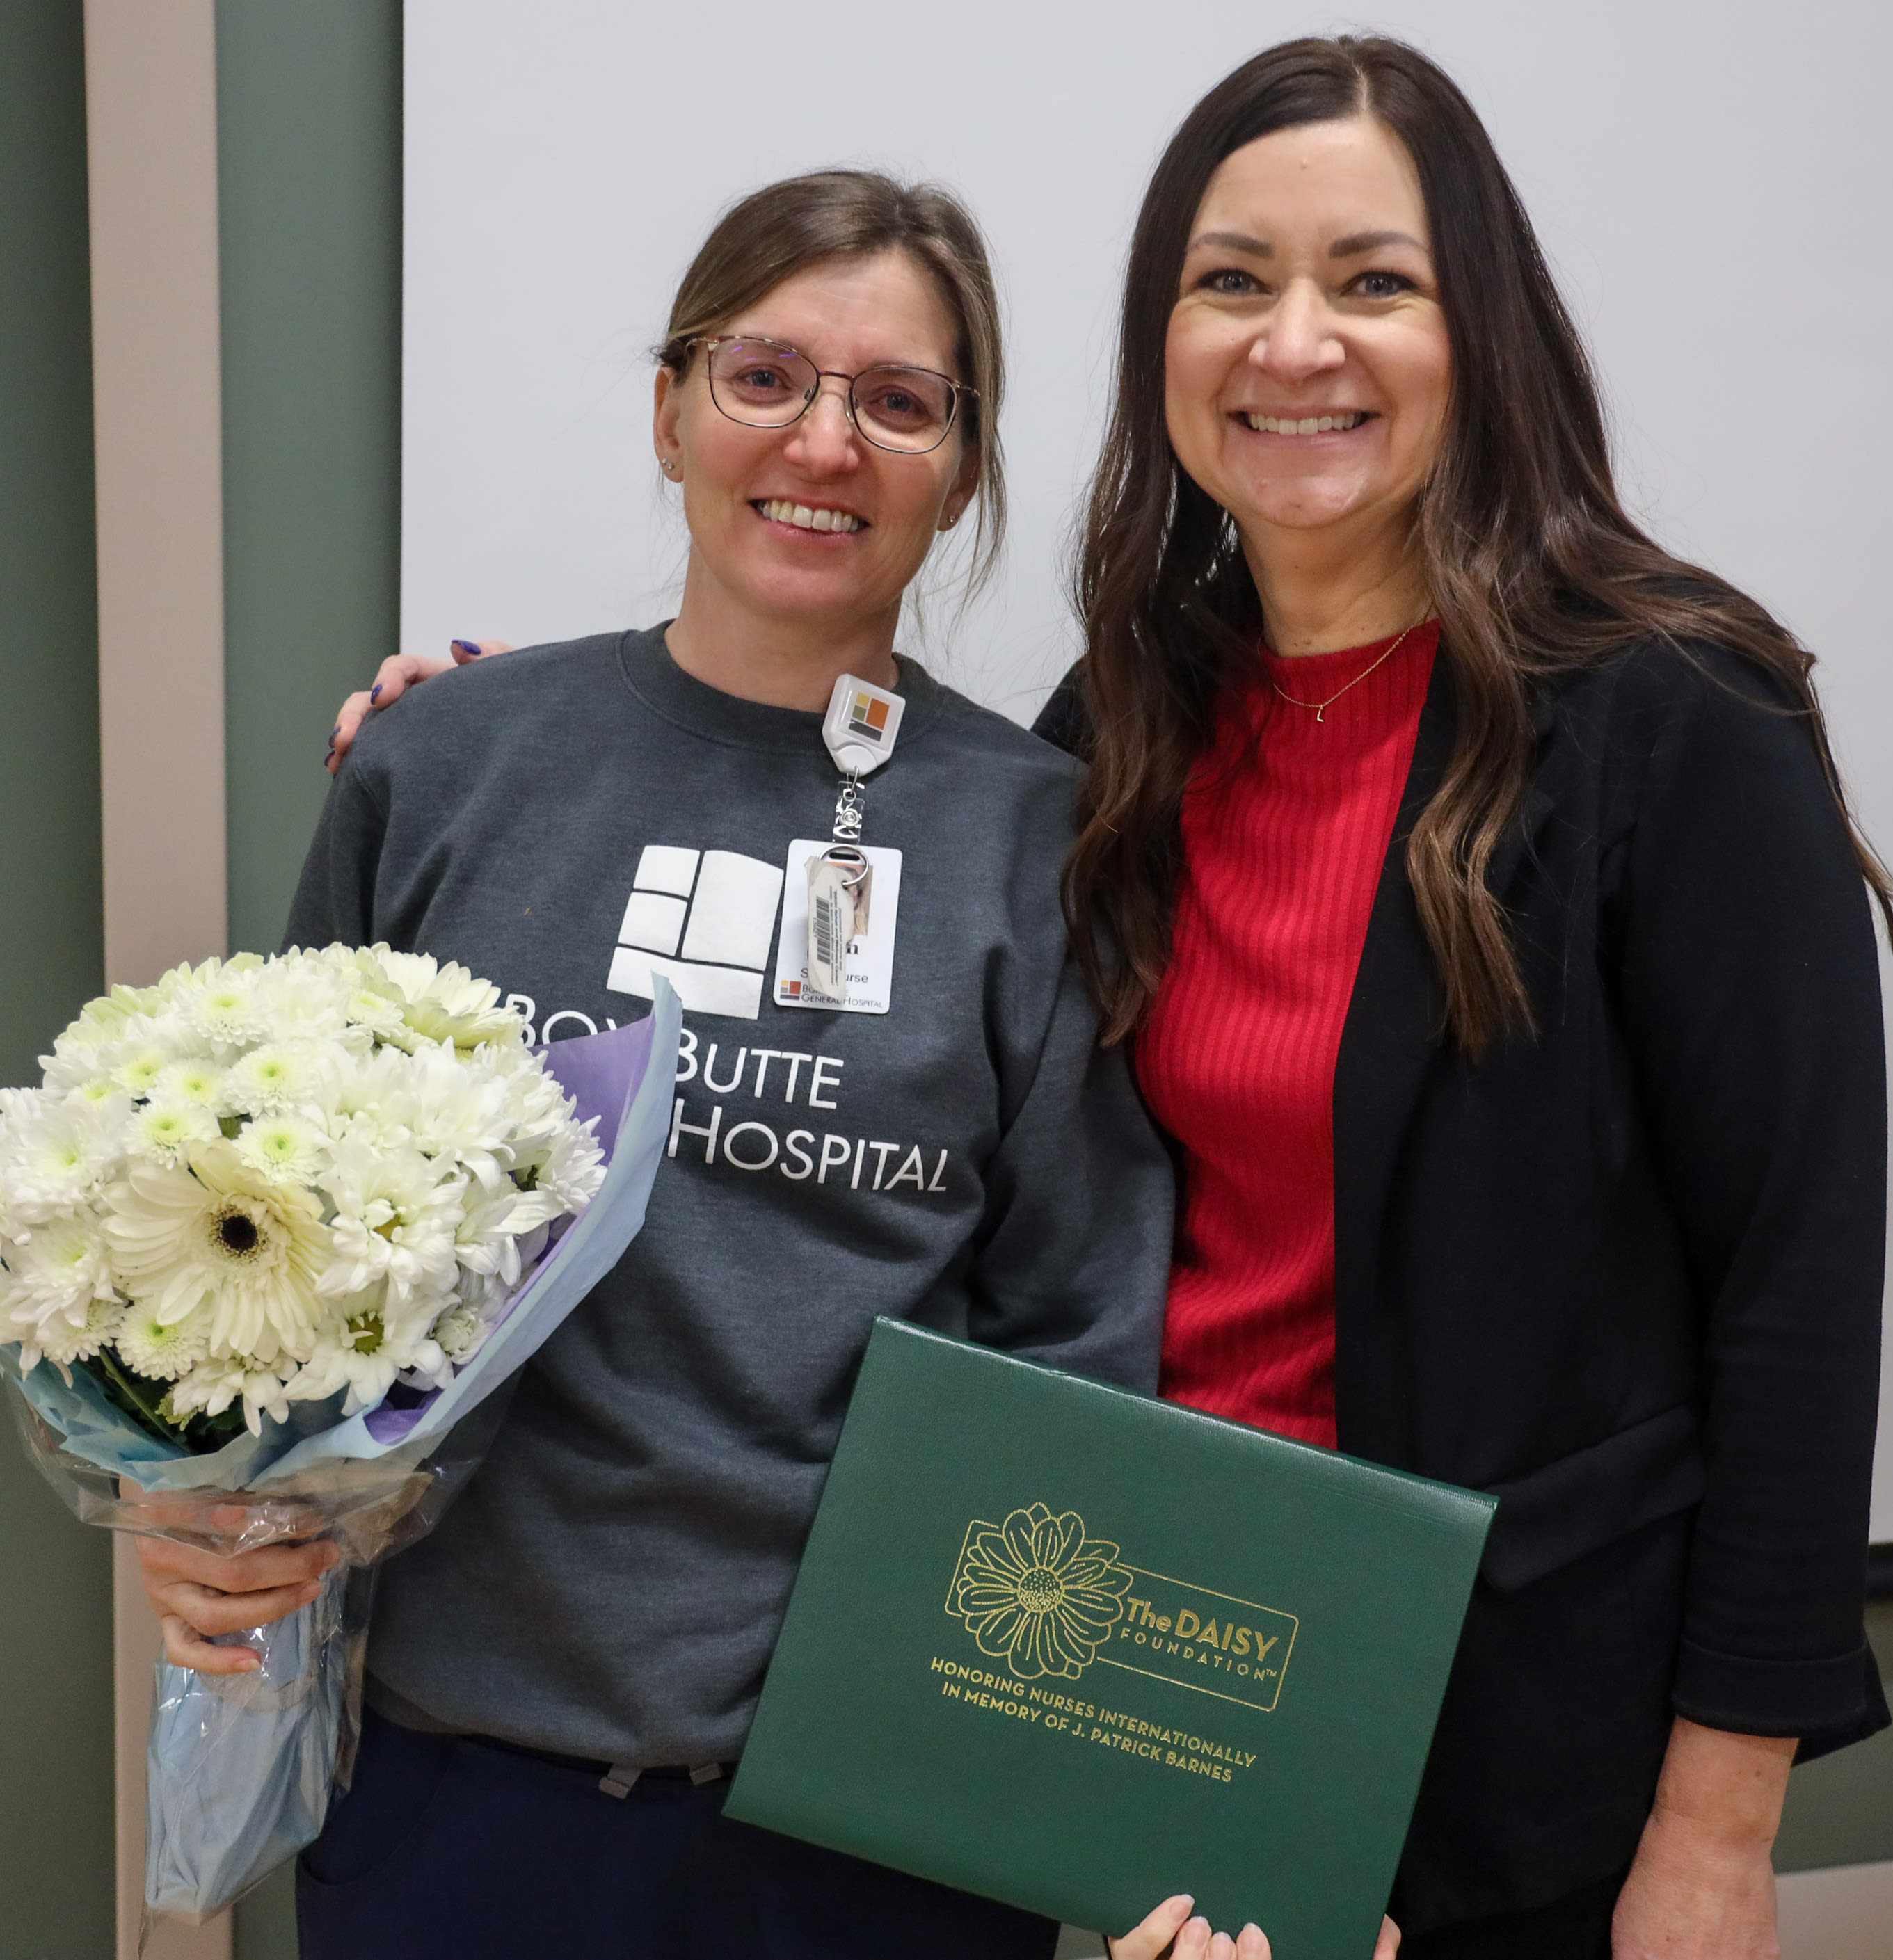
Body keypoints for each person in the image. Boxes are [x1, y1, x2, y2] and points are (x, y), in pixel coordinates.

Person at [335, 34, 1893, 1960]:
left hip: (1516, 1745)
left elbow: (1794, 1299)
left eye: (1372, 281)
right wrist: (498, 729)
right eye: (1231, 280)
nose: (1293, 342)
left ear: (1479, 329)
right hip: (1153, 1700)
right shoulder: (1131, 727)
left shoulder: (1673, 717)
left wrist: (1717, 1834)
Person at [134, 170, 1181, 1960]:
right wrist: (206, 1499)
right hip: (456, 1785)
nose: (823, 442)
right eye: (763, 375)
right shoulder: (442, 764)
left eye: (899, 401)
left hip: (867, 1820)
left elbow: (1076, 1347)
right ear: (669, 409)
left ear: (960, 469)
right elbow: (267, 1243)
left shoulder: (1044, 844)